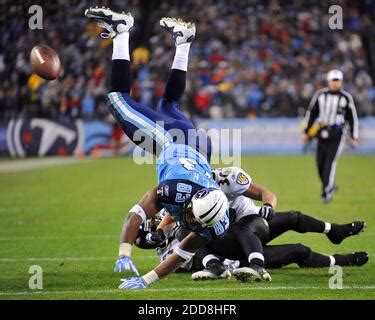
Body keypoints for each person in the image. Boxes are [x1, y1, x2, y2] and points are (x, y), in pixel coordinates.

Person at [84, 7, 230, 289]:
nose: (187, 220)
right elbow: (137, 213)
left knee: (169, 105)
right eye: (190, 214)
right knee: (117, 99)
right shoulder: (178, 191)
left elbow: (181, 254)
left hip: (199, 147)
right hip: (173, 141)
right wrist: (124, 251)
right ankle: (122, 31)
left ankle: (184, 42)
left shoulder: (213, 217)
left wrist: (146, 280)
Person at [135, 167, 367, 282]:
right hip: (234, 251)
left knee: (293, 217)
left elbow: (266, 193)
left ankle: (333, 231)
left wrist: (269, 205)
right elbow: (173, 223)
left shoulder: (226, 177)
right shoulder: (181, 212)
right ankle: (343, 260)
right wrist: (160, 233)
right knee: (299, 250)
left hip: (254, 226)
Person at [302, 69, 359, 203]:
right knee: (320, 163)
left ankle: (326, 193)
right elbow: (311, 113)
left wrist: (354, 137)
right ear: (328, 81)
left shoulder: (346, 97)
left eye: (337, 80)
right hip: (321, 132)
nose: (335, 83)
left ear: (341, 81)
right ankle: (330, 185)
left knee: (330, 162)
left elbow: (352, 118)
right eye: (333, 80)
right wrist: (306, 132)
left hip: (337, 133)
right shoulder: (320, 95)